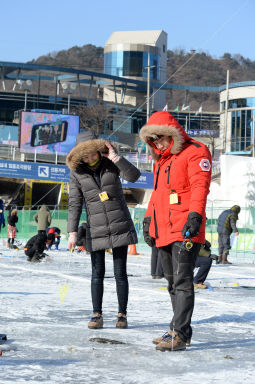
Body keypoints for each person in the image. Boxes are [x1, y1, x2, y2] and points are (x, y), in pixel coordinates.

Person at [140, 111, 211, 351]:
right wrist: (148, 220)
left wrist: (195, 216)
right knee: (171, 284)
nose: (157, 143)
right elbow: (157, 195)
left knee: (182, 282)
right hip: (164, 230)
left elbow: (200, 187)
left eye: (159, 137)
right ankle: (179, 330)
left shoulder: (195, 151)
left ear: (171, 133)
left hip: (185, 229)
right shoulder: (161, 161)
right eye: (152, 140)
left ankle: (179, 333)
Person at [66, 131, 140, 330]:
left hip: (119, 225)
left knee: (120, 273)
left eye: (93, 153)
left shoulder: (111, 164)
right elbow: (74, 203)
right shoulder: (77, 173)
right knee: (97, 273)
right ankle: (96, 314)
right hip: (95, 228)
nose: (90, 158)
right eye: (85, 155)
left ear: (99, 150)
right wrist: (72, 232)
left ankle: (122, 315)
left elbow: (134, 176)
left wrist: (116, 158)